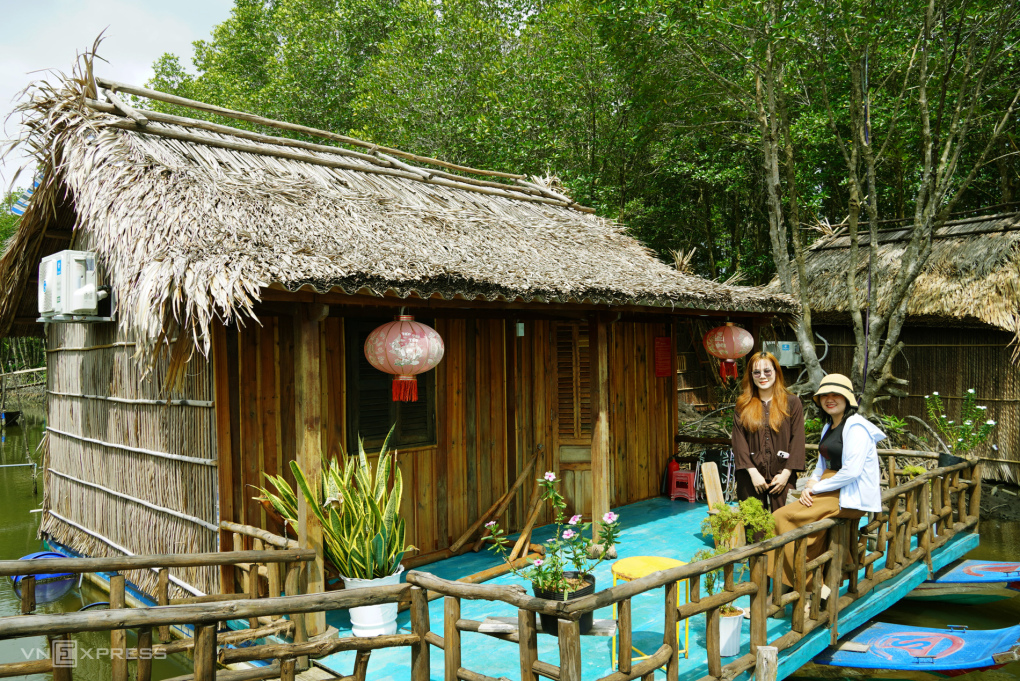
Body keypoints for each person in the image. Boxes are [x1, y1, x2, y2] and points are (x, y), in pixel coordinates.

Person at [770, 373, 885, 590]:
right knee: (809, 533)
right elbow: (821, 464)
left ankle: (805, 586)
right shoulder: (828, 426)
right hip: (829, 488)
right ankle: (809, 585)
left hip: (848, 493)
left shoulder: (856, 427)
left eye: (836, 394)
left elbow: (851, 472)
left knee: (780, 518)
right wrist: (812, 484)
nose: (829, 399)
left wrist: (817, 488)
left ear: (847, 398)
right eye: (824, 395)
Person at [731, 351, 805, 513]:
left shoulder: (792, 402)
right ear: (751, 375)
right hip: (750, 475)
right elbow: (739, 442)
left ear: (776, 372)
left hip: (782, 474)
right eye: (756, 372)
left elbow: (797, 440)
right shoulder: (743, 405)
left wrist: (786, 474)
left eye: (767, 371)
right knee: (753, 523)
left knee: (784, 521)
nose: (762, 376)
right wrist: (753, 473)